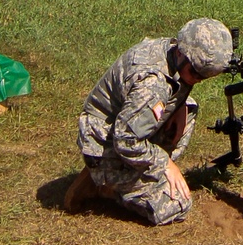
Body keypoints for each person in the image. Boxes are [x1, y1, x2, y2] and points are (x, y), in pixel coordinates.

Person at [65, 18, 233, 225]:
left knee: (188, 108)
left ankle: (134, 174)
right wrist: (165, 163)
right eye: (196, 73)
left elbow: (173, 87)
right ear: (181, 53)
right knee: (178, 202)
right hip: (105, 143)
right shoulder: (152, 84)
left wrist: (179, 104)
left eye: (205, 77)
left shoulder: (170, 50)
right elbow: (126, 140)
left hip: (120, 126)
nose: (198, 79)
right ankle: (107, 183)